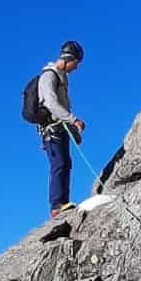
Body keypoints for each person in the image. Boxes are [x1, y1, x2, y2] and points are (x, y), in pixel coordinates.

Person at [35, 41, 86, 217]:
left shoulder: (61, 78)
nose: (76, 68)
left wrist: (73, 133)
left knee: (66, 164)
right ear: (68, 59)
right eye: (76, 64)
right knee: (60, 164)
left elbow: (63, 108)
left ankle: (62, 202)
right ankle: (57, 206)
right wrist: (74, 120)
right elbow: (50, 103)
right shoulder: (49, 76)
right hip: (52, 130)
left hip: (60, 129)